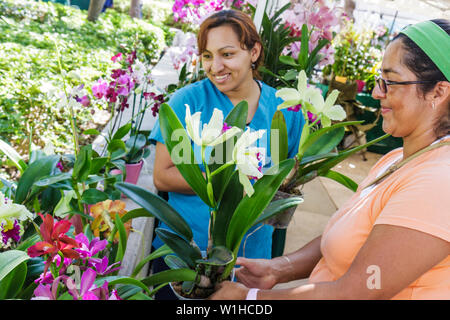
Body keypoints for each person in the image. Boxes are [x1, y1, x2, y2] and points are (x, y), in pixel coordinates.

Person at [211, 19, 450, 300]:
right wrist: (280, 269)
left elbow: (357, 292)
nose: (376, 93)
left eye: (390, 82)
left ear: (438, 91)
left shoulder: (438, 182)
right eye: (378, 81)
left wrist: (247, 299)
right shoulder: (397, 159)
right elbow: (349, 237)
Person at [149, 10, 305, 299]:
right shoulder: (190, 102)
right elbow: (164, 175)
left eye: (227, 54)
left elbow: (289, 178)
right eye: (207, 56)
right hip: (186, 258)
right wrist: (231, 180)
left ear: (254, 52)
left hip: (250, 261)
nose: (215, 66)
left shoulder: (284, 110)